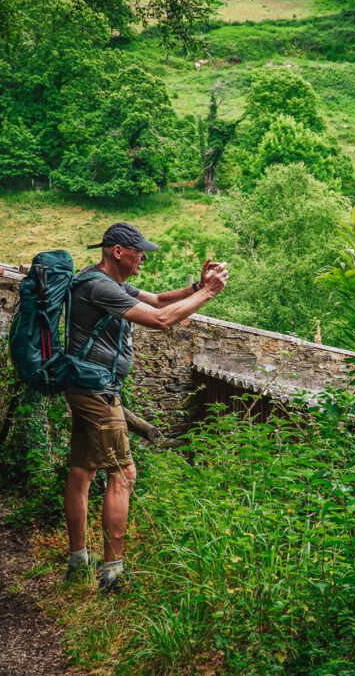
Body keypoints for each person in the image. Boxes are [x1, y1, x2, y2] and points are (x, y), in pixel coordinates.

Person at [63, 222, 228, 592]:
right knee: (123, 475)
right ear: (118, 251)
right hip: (97, 393)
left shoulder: (107, 281)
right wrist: (210, 295)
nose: (144, 257)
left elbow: (156, 300)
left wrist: (197, 287)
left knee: (81, 473)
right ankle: (113, 574)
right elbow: (160, 320)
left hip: (87, 387)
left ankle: (78, 563)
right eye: (139, 251)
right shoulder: (100, 286)